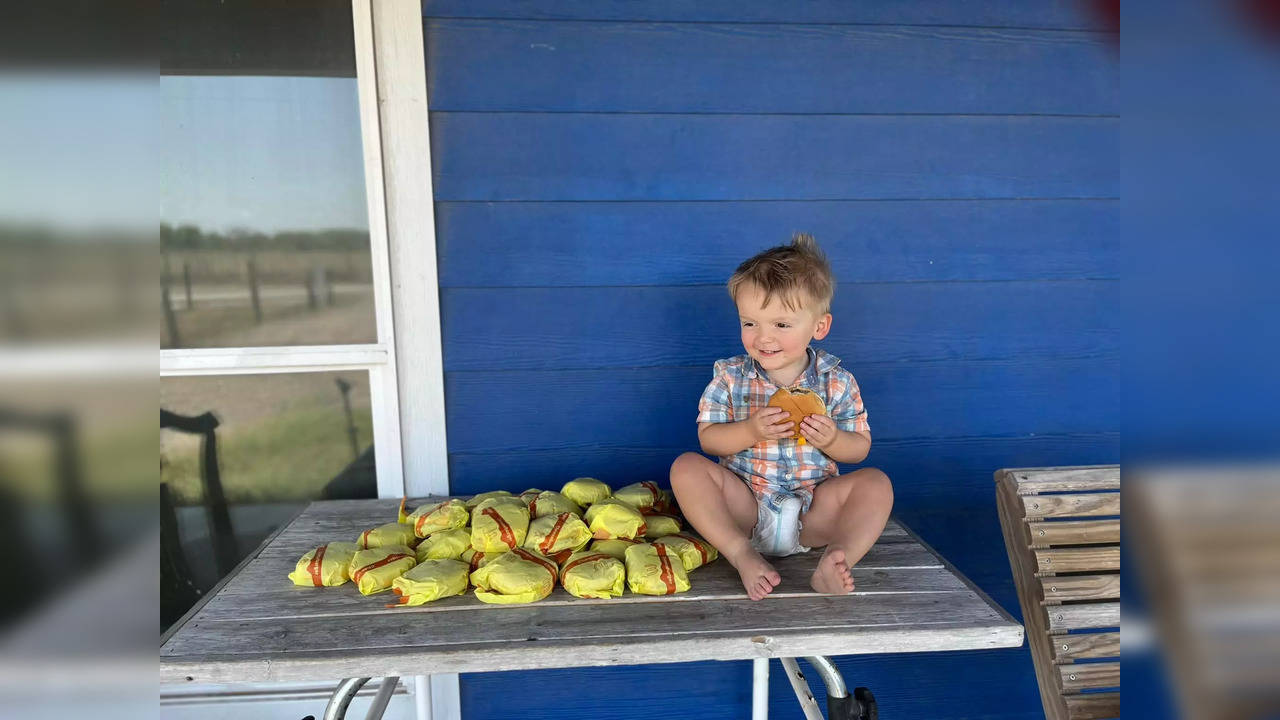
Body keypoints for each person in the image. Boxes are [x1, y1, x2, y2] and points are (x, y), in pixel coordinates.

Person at [669, 233, 893, 600]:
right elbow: (708, 439)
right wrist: (750, 430)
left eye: (781, 325)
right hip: (746, 506)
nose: (763, 337)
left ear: (819, 327)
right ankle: (741, 554)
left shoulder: (836, 382)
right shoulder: (730, 377)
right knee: (686, 468)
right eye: (750, 323)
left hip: (813, 511)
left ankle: (837, 559)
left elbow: (859, 449)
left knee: (876, 484)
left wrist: (834, 440)